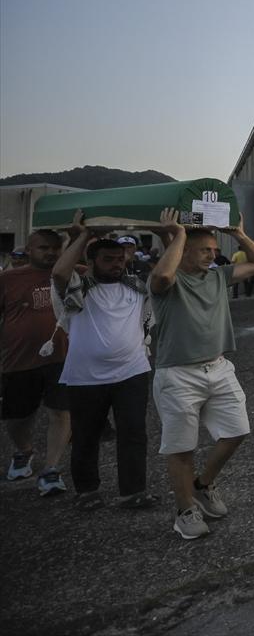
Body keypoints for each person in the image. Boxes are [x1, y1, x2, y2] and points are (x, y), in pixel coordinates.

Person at [150, 210, 254, 539]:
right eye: (206, 250)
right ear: (184, 249)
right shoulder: (167, 281)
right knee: (181, 448)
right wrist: (178, 235)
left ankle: (202, 485)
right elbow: (161, 279)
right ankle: (185, 510)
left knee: (236, 431)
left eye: (215, 250)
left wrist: (240, 234)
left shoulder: (218, 276)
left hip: (218, 367)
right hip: (177, 374)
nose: (213, 255)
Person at [51, 212, 158, 510]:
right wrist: (84, 235)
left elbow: (163, 278)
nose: (117, 264)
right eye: (109, 259)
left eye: (120, 259)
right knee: (85, 435)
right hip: (85, 376)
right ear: (93, 261)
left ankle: (133, 492)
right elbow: (59, 274)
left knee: (134, 432)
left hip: (133, 371)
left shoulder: (136, 286)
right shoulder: (80, 289)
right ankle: (87, 492)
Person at [0, 230, 71, 496]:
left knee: (61, 412)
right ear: (28, 249)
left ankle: (51, 469)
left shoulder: (68, 273)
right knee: (18, 417)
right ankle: (23, 450)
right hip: (19, 360)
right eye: (44, 247)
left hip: (61, 357)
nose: (51, 253)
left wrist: (77, 238)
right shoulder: (8, 279)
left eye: (55, 248)